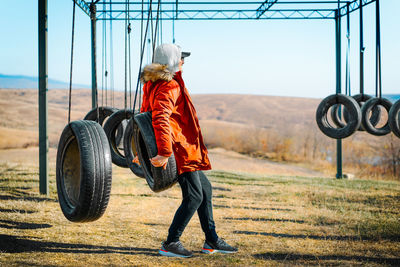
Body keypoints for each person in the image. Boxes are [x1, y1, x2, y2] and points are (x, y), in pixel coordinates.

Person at [139, 43, 238, 258]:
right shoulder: (170, 86)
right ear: (173, 61)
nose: (184, 61)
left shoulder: (156, 83)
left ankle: (211, 240)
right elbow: (158, 118)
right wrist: (164, 151)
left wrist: (140, 148)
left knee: (205, 190)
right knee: (194, 196)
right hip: (179, 150)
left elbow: (144, 114)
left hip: (183, 148)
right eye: (181, 58)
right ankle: (171, 242)